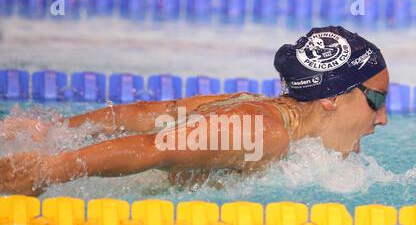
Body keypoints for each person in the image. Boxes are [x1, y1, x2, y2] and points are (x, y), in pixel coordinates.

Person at [0, 26, 389, 196]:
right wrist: (47, 172)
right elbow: (157, 147)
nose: (383, 118)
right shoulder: (264, 133)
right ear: (331, 96)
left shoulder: (255, 107)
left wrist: (53, 130)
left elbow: (154, 111)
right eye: (376, 100)